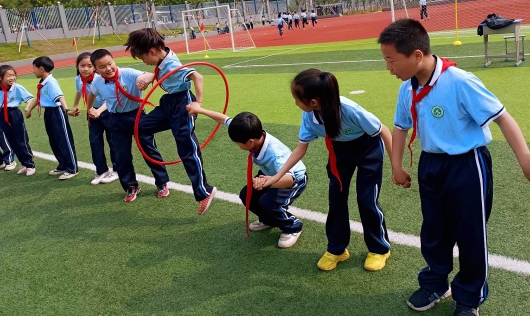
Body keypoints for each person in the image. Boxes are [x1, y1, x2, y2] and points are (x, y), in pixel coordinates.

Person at [378, 19, 530, 315]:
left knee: (470, 234)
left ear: (417, 55)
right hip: (431, 165)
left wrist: (527, 162)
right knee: (434, 230)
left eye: (391, 60)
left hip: (467, 165)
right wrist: (396, 165)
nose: (389, 68)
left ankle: (469, 297)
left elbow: (502, 118)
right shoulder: (407, 89)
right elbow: (400, 127)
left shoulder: (460, 81)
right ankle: (435, 283)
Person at [260, 69, 393, 272]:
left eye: (297, 99)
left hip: (368, 148)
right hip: (339, 151)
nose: (296, 103)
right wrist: (276, 177)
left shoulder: (349, 109)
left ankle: (379, 249)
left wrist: (396, 166)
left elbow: (382, 130)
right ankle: (337, 249)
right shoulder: (309, 116)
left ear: (314, 102)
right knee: (336, 199)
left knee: (367, 200)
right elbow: (300, 149)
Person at [124, 29, 217, 215]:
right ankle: (172, 136)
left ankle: (204, 191)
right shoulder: (162, 57)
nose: (144, 62)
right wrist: (150, 77)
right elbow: (161, 70)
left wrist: (198, 104)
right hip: (168, 104)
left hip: (182, 103)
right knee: (140, 127)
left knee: (186, 148)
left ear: (152, 51)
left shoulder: (172, 64)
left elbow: (197, 76)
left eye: (143, 58)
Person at [187, 105, 308, 248]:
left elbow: (290, 179)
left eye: (238, 144)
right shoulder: (249, 132)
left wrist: (269, 182)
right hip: (270, 174)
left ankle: (293, 227)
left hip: (292, 179)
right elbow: (224, 119)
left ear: (250, 142)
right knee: (247, 195)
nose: (238, 145)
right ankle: (269, 220)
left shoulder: (275, 154)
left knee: (268, 203)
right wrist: (200, 110)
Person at [87, 48, 170, 202]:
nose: (108, 69)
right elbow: (92, 94)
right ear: (96, 69)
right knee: (121, 155)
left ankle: (161, 182)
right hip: (115, 119)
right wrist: (90, 108)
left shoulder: (128, 73)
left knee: (149, 149)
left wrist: (143, 79)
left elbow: (151, 74)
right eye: (102, 67)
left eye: (109, 64)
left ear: (114, 61)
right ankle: (131, 186)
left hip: (137, 116)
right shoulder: (98, 81)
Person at [67, 52, 118, 185]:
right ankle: (101, 170)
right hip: (92, 113)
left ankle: (117, 169)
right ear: (77, 66)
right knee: (95, 142)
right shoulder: (78, 79)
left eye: (89, 66)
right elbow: (79, 91)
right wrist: (75, 105)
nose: (86, 69)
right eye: (82, 65)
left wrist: (98, 111)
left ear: (95, 67)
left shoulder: (100, 80)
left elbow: (110, 100)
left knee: (113, 141)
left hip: (108, 112)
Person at [28, 57, 79, 180]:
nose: (32, 71)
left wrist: (67, 110)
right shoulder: (43, 82)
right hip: (49, 113)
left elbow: (60, 97)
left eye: (34, 68)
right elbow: (38, 97)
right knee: (54, 140)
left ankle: (72, 168)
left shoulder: (51, 82)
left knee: (64, 140)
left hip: (57, 112)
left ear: (41, 69)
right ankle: (63, 164)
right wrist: (29, 109)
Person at [0, 65, 36, 174]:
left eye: (13, 75)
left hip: (14, 114)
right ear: (0, 78)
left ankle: (30, 165)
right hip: (2, 114)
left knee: (22, 140)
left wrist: (28, 108)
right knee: (11, 140)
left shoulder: (17, 87)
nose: (12, 78)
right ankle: (23, 164)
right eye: (8, 76)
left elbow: (30, 99)